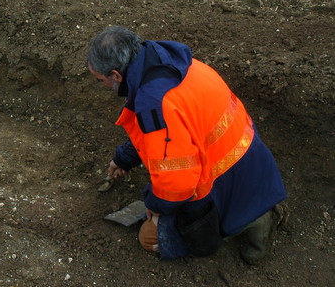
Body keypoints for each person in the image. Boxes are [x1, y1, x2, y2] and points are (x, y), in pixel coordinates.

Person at [87, 25, 287, 264]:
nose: (103, 87)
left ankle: (250, 222)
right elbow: (161, 133)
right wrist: (124, 158)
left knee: (148, 238)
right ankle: (258, 210)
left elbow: (177, 183)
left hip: (220, 177)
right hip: (253, 160)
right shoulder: (172, 62)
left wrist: (154, 205)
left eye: (101, 80)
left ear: (116, 75)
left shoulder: (156, 103)